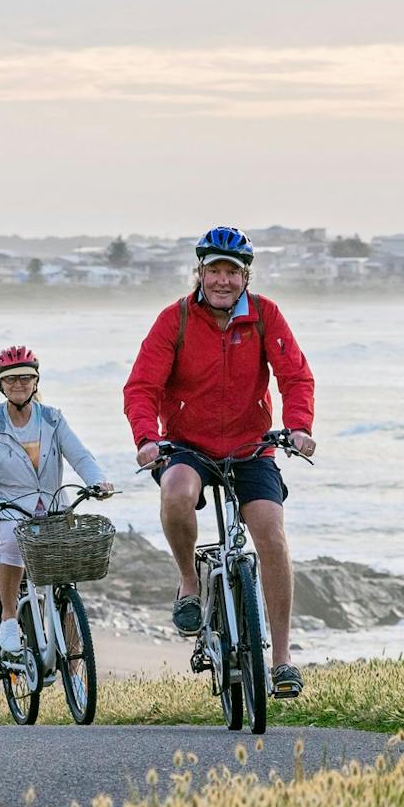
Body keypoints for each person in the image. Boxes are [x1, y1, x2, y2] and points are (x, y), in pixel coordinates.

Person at [122, 226, 317, 698]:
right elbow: (141, 387)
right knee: (176, 497)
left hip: (252, 445)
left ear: (245, 276)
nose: (223, 280)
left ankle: (282, 660)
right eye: (215, 270)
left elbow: (295, 376)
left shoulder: (266, 316)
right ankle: (190, 582)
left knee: (270, 534)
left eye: (233, 271)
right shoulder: (176, 320)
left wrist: (300, 426)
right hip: (188, 444)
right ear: (200, 272)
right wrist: (148, 438)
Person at [0, 346, 112, 673]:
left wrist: (97, 480)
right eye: (11, 379)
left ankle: (75, 673)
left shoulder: (53, 419)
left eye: (26, 378)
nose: (18, 384)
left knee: (64, 582)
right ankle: (9, 618)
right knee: (14, 543)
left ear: (36, 381)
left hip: (52, 512)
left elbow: (80, 456)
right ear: (1, 385)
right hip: (4, 510)